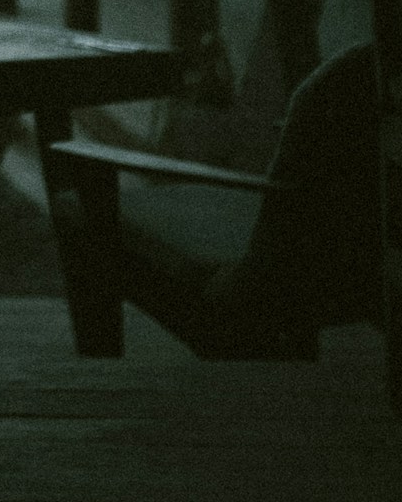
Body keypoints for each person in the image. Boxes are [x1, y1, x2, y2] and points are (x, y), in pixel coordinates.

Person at [117, 39, 383, 359]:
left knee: (87, 202)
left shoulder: (338, 86)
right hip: (352, 270)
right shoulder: (367, 76)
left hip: (266, 275)